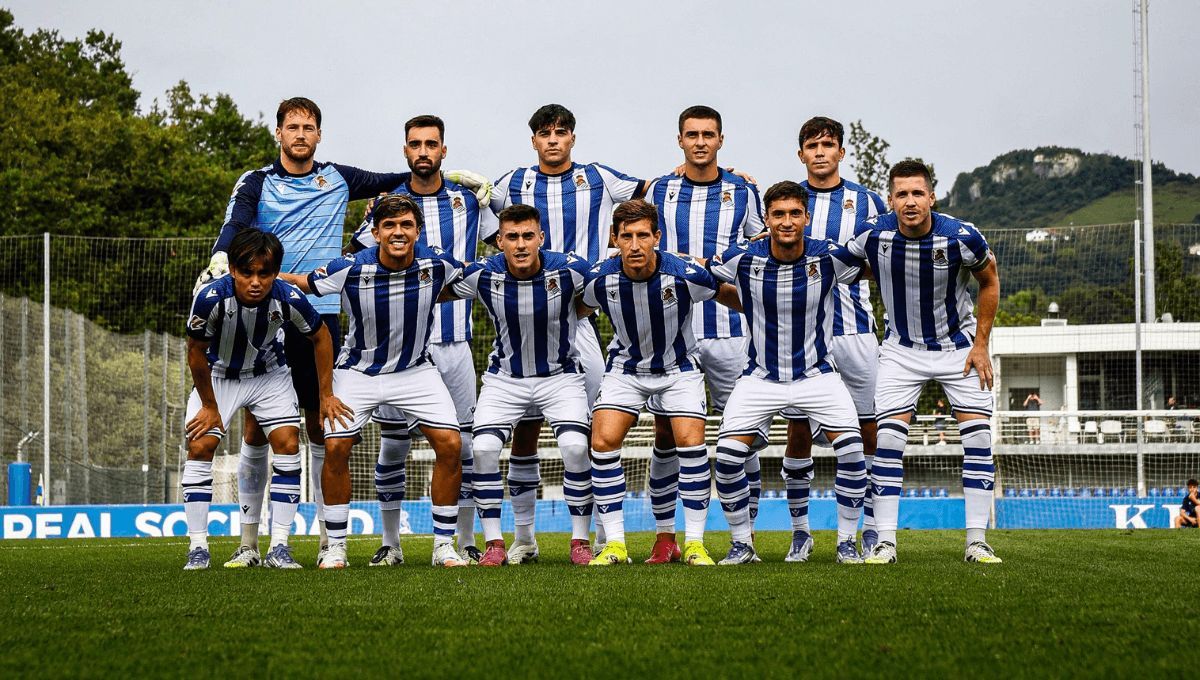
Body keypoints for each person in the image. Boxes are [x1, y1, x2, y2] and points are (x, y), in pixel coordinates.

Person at [487, 104, 647, 553]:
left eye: (561, 132)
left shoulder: (597, 177)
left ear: (573, 138)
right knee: (522, 430)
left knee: (592, 431)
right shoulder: (510, 183)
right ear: (533, 140)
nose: (553, 139)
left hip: (578, 319)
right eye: (544, 133)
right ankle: (523, 539)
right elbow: (488, 226)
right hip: (520, 322)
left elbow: (656, 192)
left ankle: (599, 534)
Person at [281, 194, 468, 569]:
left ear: (418, 230)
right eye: (389, 226)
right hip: (358, 372)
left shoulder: (438, 264)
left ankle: (443, 546)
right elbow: (300, 282)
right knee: (335, 447)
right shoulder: (348, 268)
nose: (398, 232)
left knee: (451, 444)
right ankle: (335, 547)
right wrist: (253, 274)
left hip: (416, 370)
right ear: (376, 231)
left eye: (406, 225)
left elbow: (479, 278)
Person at [835, 160, 1002, 564]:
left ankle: (977, 542)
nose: (910, 202)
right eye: (901, 194)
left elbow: (990, 281)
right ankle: (885, 543)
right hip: (899, 350)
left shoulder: (962, 236)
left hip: (957, 349)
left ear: (932, 196)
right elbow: (834, 266)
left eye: (917, 193)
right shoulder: (874, 233)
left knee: (979, 440)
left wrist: (980, 345)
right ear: (890, 200)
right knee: (889, 441)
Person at [346, 115, 494, 566]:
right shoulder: (387, 206)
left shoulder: (467, 200)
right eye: (415, 144)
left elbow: (509, 239)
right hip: (398, 350)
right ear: (406, 151)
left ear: (444, 151)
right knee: (393, 445)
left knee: (463, 445)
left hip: (454, 344)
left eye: (432, 144)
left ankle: (462, 540)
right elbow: (357, 260)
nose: (424, 151)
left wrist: (494, 198)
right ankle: (390, 544)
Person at [707, 181, 867, 565]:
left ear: (806, 217)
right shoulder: (743, 257)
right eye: (778, 214)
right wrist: (747, 302)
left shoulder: (828, 256)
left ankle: (846, 542)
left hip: (817, 376)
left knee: (853, 451)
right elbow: (710, 279)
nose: (787, 221)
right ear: (766, 219)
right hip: (759, 377)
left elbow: (873, 269)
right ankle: (743, 544)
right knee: (727, 458)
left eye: (795, 213)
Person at [582, 199, 741, 567]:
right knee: (602, 441)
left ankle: (695, 544)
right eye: (626, 237)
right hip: (626, 370)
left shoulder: (686, 273)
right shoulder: (600, 278)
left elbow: (727, 295)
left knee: (690, 444)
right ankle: (616, 546)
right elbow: (576, 309)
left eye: (642, 236)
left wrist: (764, 307)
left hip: (678, 370)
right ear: (614, 239)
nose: (635, 245)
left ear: (657, 237)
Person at [640, 105, 765, 562]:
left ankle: (743, 537)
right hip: (674, 330)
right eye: (691, 134)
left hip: (733, 330)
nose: (699, 142)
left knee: (740, 433)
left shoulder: (743, 189)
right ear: (679, 140)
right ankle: (666, 537)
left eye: (707, 134)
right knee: (666, 436)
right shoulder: (661, 187)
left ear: (720, 140)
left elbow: (759, 245)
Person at [181, 229, 346, 570]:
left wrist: (326, 394)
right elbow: (195, 352)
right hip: (219, 376)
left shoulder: (287, 296)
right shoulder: (210, 297)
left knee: (287, 444)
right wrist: (210, 406)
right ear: (232, 270)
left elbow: (321, 336)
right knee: (200, 446)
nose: (256, 282)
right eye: (247, 273)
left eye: (265, 273)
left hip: (268, 374)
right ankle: (198, 547)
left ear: (275, 272)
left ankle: (279, 547)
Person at [439, 204, 594, 565]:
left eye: (528, 236)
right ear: (499, 242)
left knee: (574, 447)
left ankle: (580, 541)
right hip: (505, 379)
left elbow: (595, 298)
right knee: (483, 450)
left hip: (560, 377)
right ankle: (495, 544)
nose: (521, 244)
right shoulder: (482, 275)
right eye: (512, 237)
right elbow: (434, 289)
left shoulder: (571, 270)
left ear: (541, 238)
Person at [771, 116, 887, 561]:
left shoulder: (867, 202)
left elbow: (882, 260)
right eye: (812, 145)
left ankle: (871, 529)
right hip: (800, 338)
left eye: (828, 144)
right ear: (800, 153)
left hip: (854, 330)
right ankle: (801, 533)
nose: (821, 152)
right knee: (798, 429)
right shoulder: (788, 202)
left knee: (865, 429)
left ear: (841, 152)